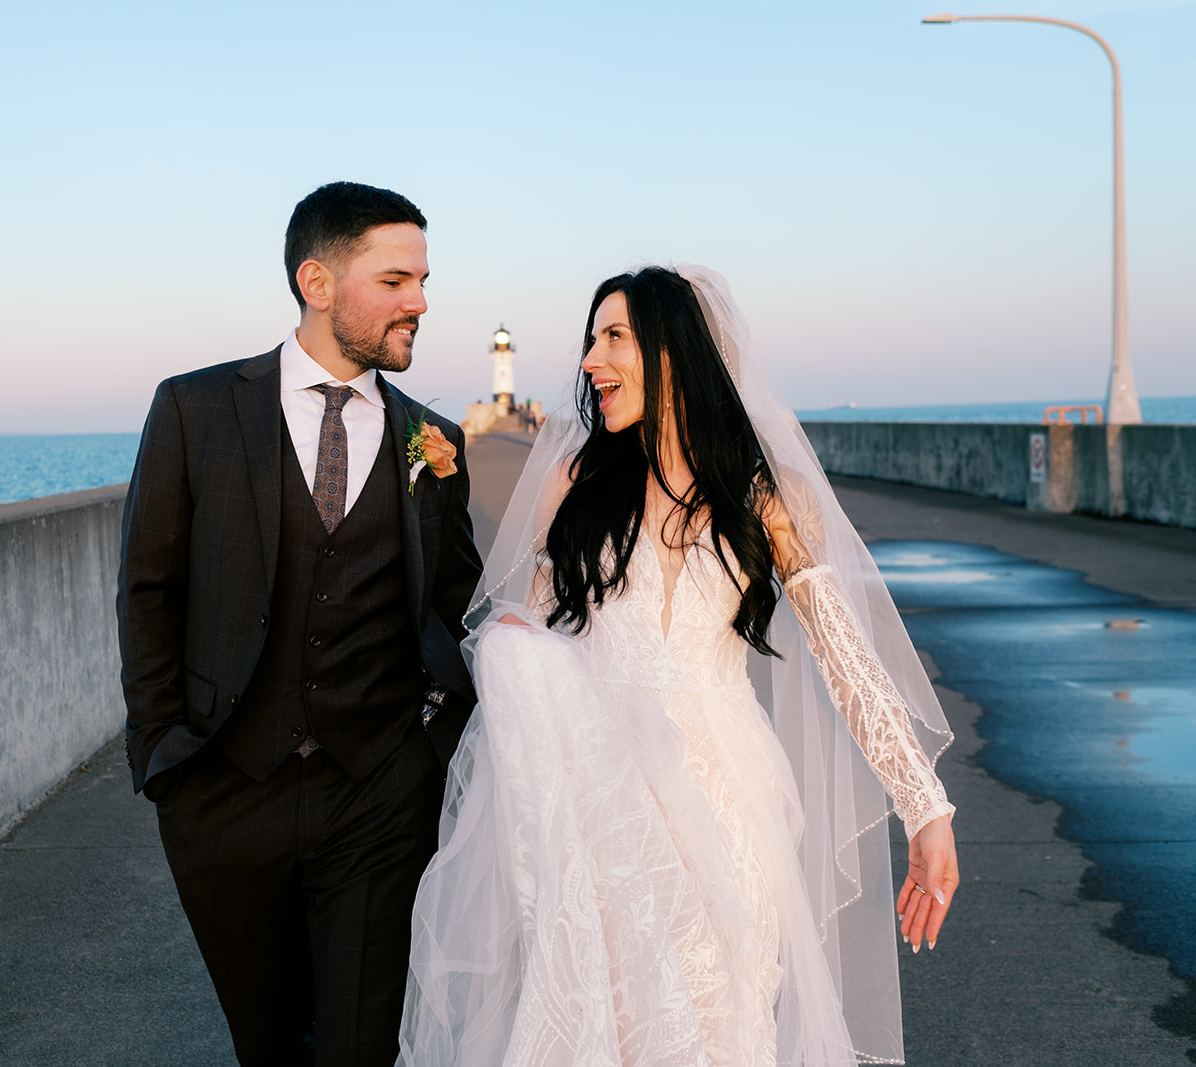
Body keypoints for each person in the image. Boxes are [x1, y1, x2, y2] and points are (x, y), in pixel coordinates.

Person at [400, 265, 960, 1066]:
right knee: (612, 1022)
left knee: (718, 1012)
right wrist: (515, 649)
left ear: (673, 354)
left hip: (727, 798)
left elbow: (847, 659)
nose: (590, 359)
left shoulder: (767, 495)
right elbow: (526, 635)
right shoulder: (576, 480)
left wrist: (925, 805)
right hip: (598, 800)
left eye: (614, 336)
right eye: (591, 339)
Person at [117, 181, 483, 1066]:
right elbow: (149, 589)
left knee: (360, 1050)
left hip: (379, 800)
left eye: (424, 280)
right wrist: (166, 759)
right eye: (396, 279)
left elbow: (456, 605)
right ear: (317, 282)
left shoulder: (431, 438)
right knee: (270, 1045)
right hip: (224, 793)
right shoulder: (194, 410)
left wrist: (427, 753)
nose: (421, 302)